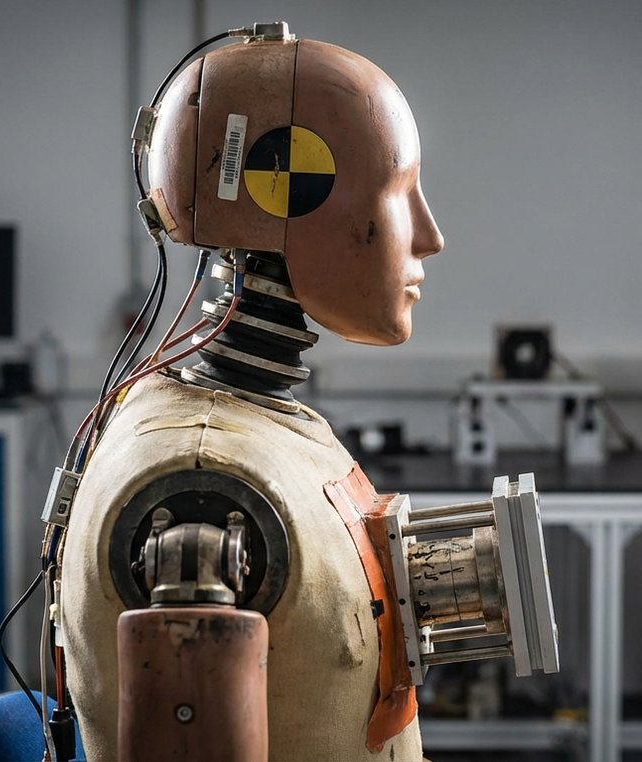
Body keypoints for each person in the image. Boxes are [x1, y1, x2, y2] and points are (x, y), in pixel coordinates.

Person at [58, 25, 444, 762]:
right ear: (299, 203)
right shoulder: (210, 486)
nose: (429, 236)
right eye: (398, 193)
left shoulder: (255, 423)